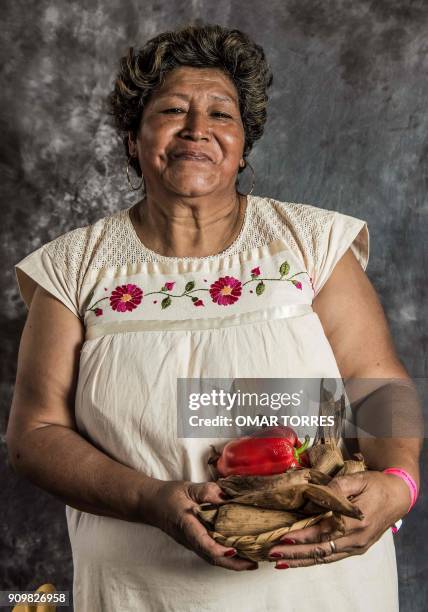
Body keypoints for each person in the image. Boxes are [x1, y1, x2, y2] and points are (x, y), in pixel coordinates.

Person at [7, 23, 422, 612]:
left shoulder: (311, 245)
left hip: (317, 584)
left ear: (244, 143)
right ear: (133, 136)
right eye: (173, 110)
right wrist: (150, 499)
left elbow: (381, 385)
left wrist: (399, 484)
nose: (197, 130)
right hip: (142, 588)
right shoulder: (75, 268)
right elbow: (35, 436)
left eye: (221, 115)